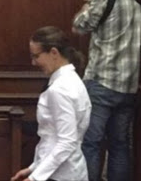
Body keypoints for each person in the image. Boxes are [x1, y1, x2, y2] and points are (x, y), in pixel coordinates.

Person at [72, 0, 141, 181]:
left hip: (102, 82)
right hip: (129, 85)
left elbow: (80, 25)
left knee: (92, 143)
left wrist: (88, 0)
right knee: (119, 145)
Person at [11, 26, 92, 181]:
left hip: (60, 175)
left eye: (36, 56)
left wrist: (35, 177)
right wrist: (32, 168)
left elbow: (66, 142)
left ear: (54, 53)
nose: (33, 62)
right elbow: (52, 138)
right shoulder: (73, 80)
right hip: (66, 171)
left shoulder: (60, 89)